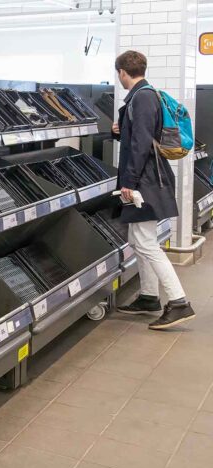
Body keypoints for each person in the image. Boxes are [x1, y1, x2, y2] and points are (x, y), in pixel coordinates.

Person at [112, 50, 195, 330]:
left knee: (146, 242)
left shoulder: (143, 97)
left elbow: (142, 143)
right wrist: (120, 129)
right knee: (138, 239)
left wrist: (129, 182)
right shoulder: (144, 96)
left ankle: (179, 302)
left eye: (119, 74)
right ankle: (149, 297)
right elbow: (139, 133)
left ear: (123, 72)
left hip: (146, 180)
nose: (120, 78)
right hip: (147, 178)